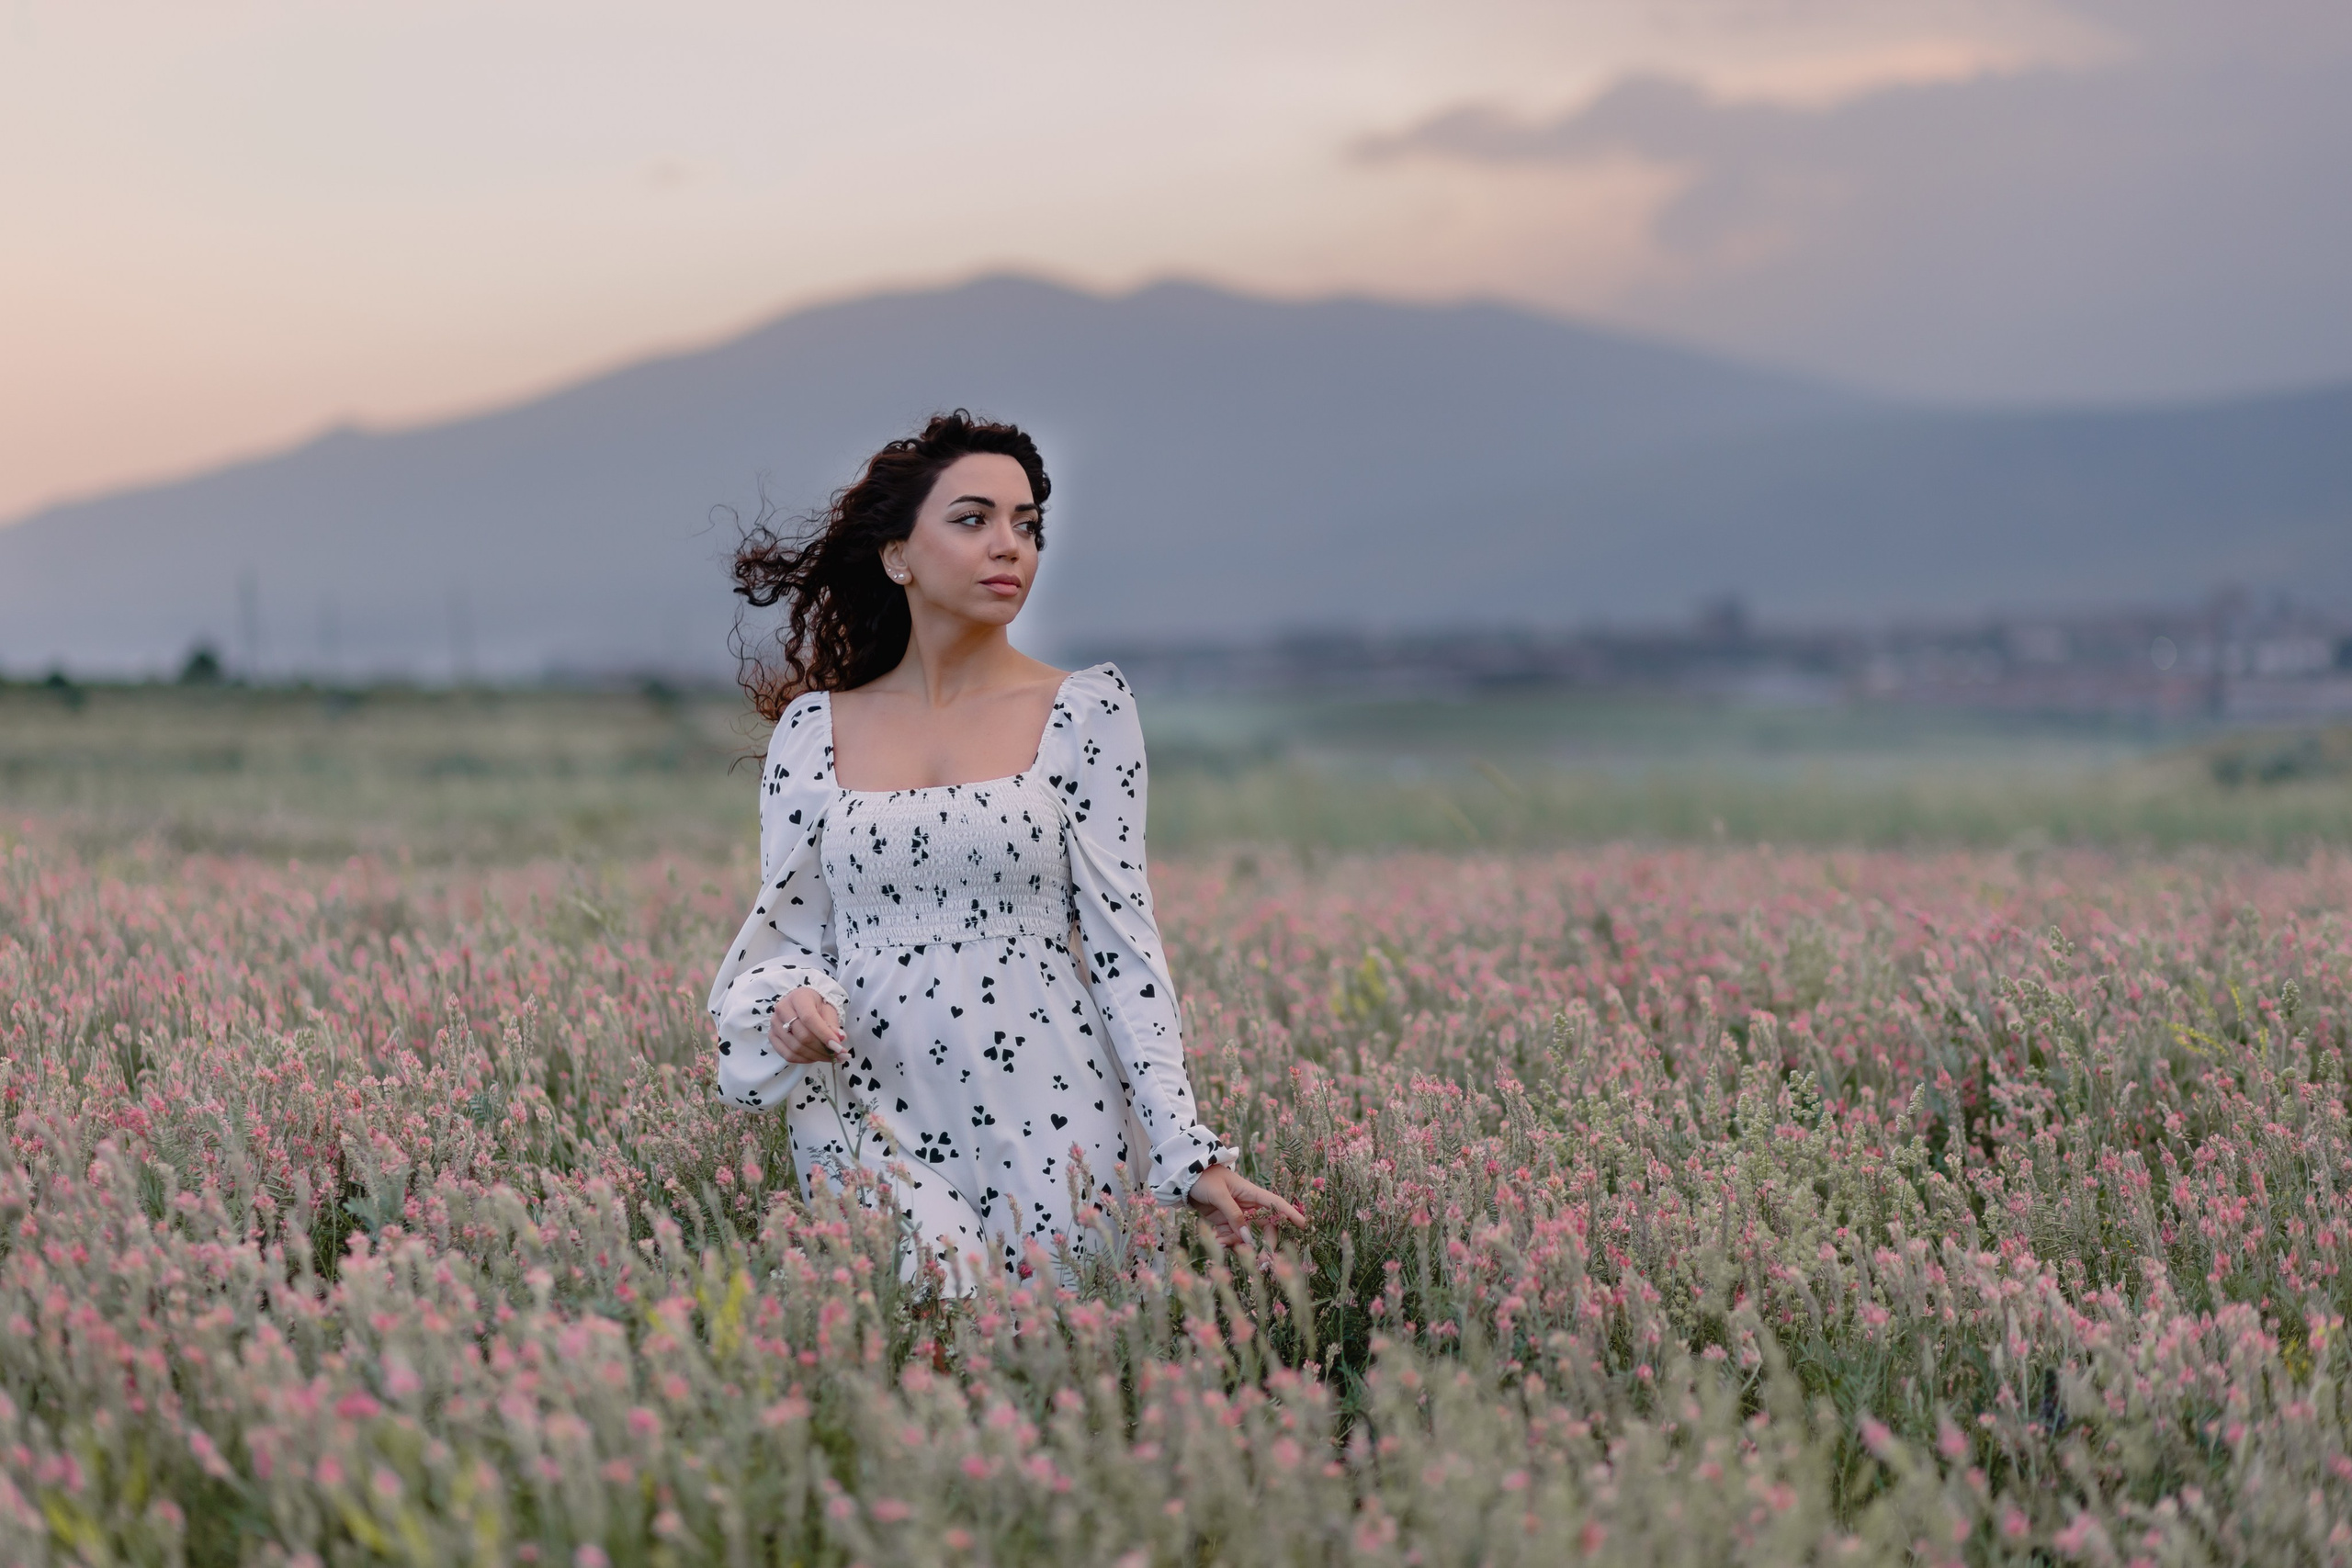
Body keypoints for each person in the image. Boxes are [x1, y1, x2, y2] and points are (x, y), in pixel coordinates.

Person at [707, 410, 1304, 1288]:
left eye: (1027, 526)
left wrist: (1187, 1151)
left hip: (1053, 1105)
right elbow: (787, 938)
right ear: (897, 555)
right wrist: (790, 1002)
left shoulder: (1086, 713)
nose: (1010, 547)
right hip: (863, 1107)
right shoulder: (813, 732)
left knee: (1049, 1374)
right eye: (974, 519)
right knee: (930, 1328)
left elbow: (1124, 948)